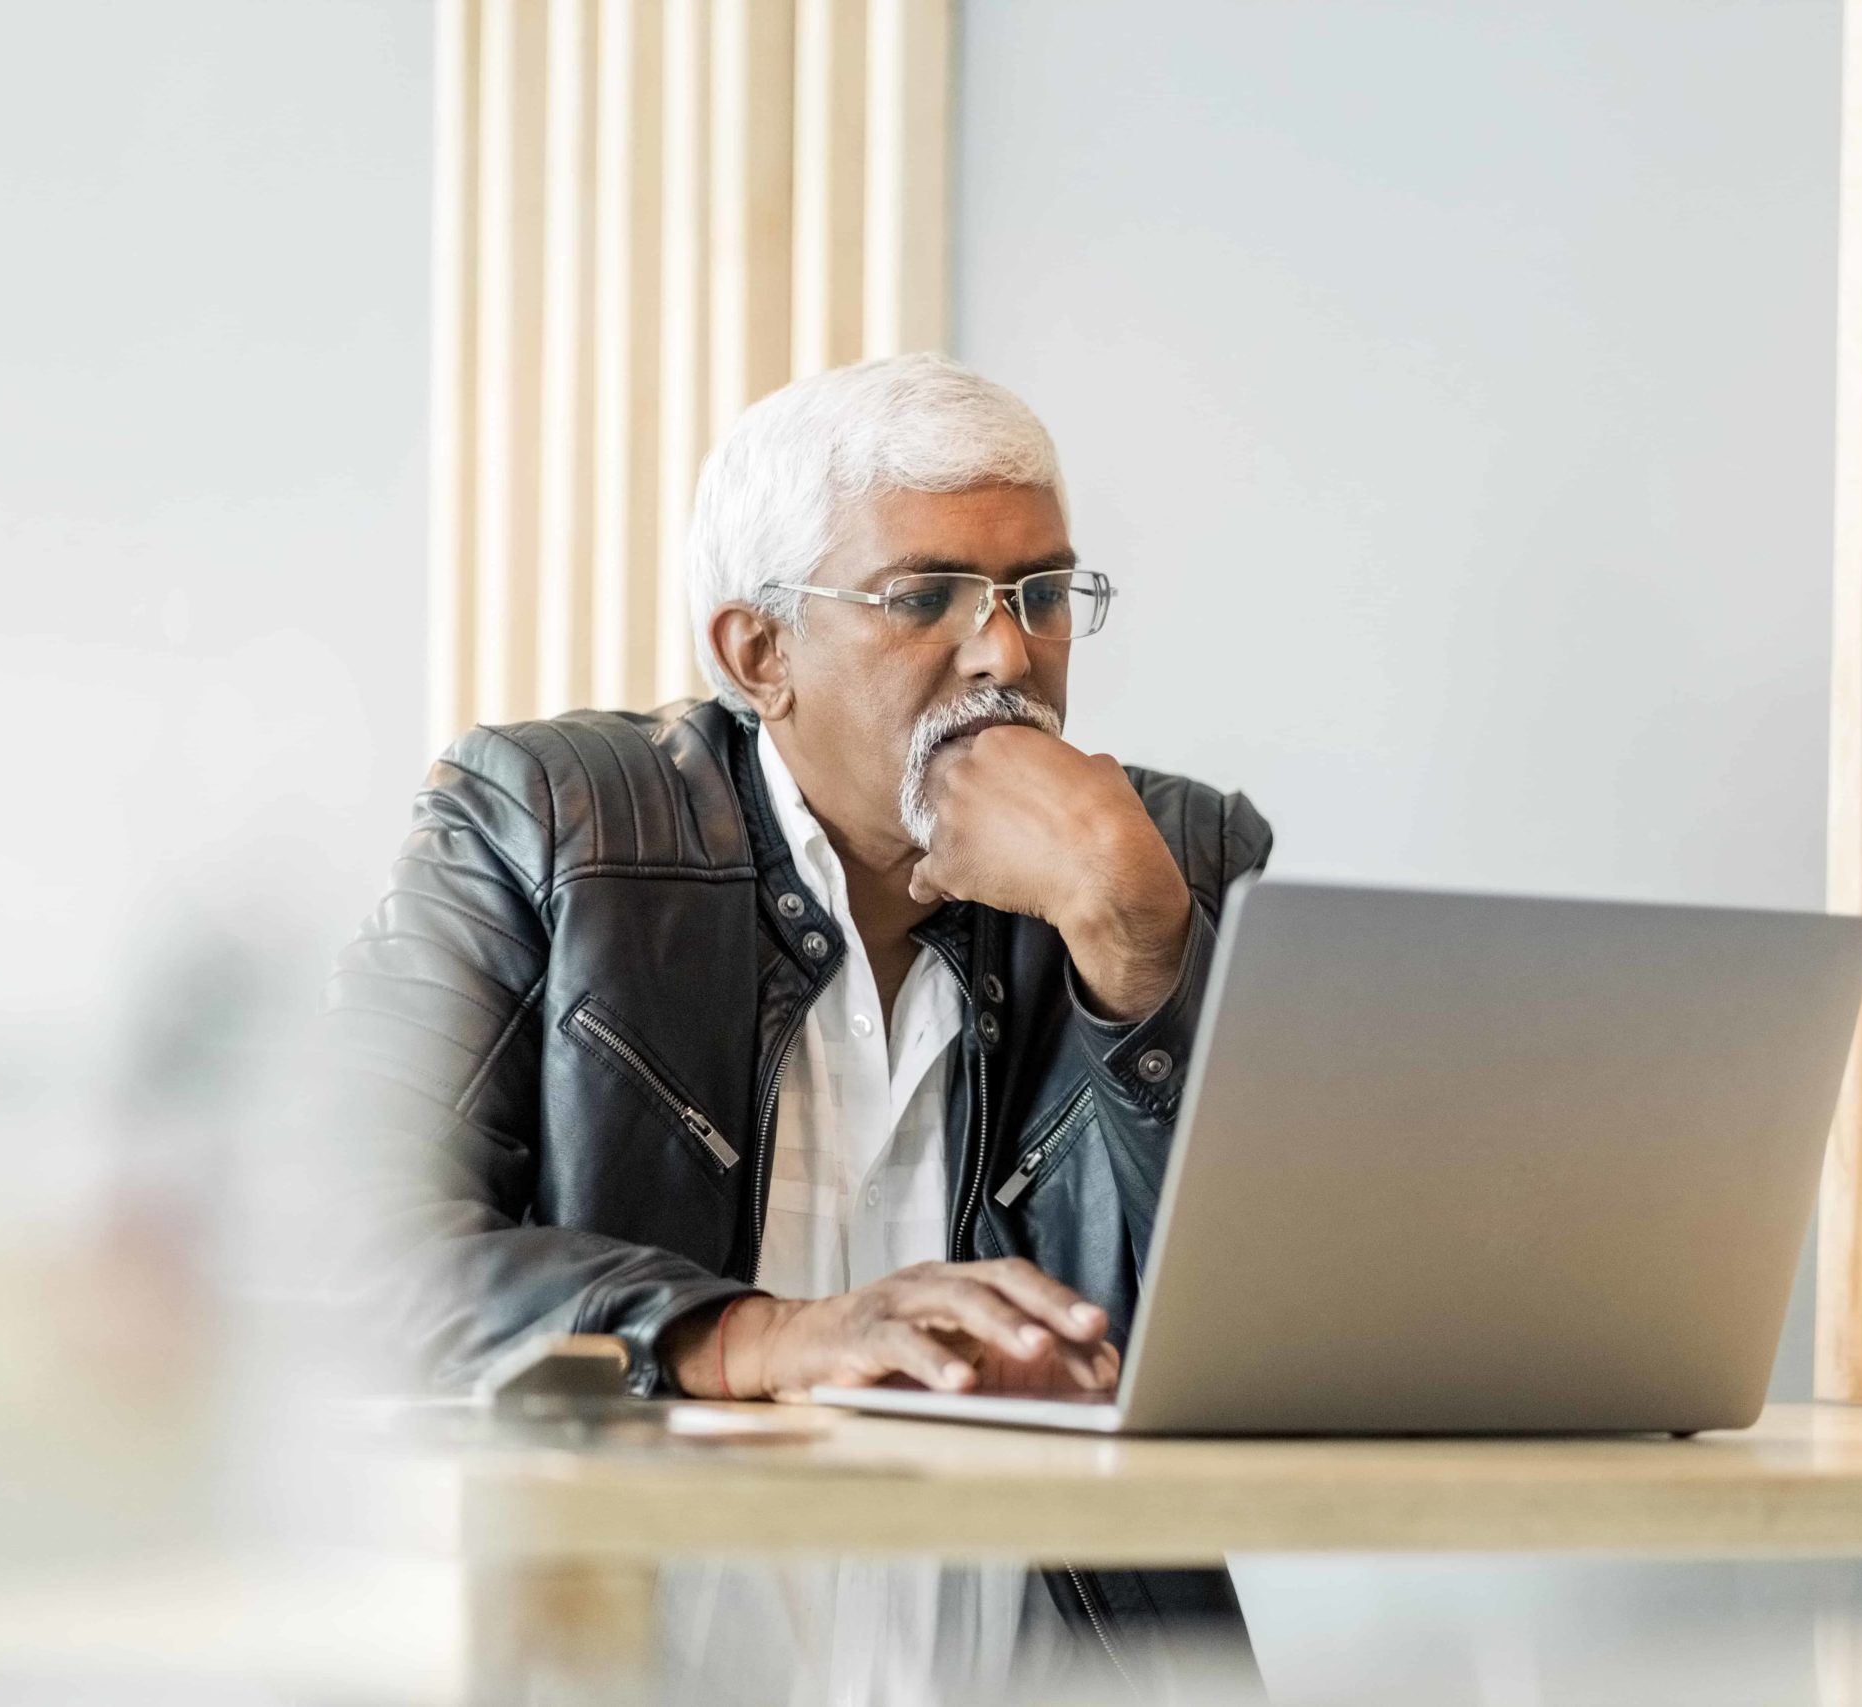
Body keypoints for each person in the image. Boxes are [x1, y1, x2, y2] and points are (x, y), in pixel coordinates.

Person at [329, 353, 1269, 1688]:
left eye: (1042, 593)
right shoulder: (549, 826)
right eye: (927, 596)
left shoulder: (1165, 859)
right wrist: (760, 1337)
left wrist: (1139, 943)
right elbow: (336, 1255)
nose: (1006, 652)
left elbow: (1274, 1340)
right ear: (757, 651)